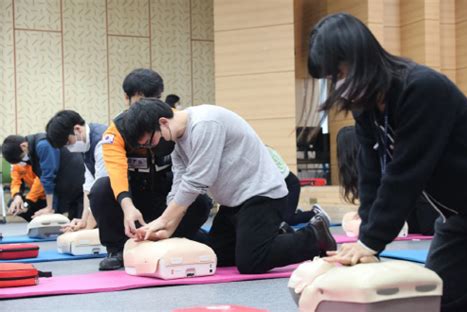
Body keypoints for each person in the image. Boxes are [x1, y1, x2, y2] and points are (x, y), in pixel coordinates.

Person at [308, 13, 467, 311]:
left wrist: (371, 242)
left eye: (339, 74)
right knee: (437, 299)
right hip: (460, 218)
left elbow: (405, 173)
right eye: (331, 79)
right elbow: (371, 175)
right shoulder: (366, 107)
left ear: (358, 57)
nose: (337, 86)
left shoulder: (421, 88)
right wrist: (367, 238)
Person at [122, 98, 337, 274]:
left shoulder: (205, 123)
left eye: (150, 142)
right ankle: (276, 235)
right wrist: (166, 227)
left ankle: (314, 237)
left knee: (251, 262)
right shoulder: (178, 141)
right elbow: (179, 180)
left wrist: (163, 221)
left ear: (163, 122)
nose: (152, 149)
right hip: (233, 203)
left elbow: (197, 180)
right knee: (216, 257)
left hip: (261, 196)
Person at [88, 68, 211, 271]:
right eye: (141, 99)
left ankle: (179, 238)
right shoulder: (115, 131)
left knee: (200, 200)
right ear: (127, 98)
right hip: (134, 199)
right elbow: (116, 172)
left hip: (167, 195)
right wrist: (127, 207)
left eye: (155, 98)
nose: (147, 106)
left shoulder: (171, 123)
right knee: (101, 188)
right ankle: (117, 250)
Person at [336, 126, 438, 235]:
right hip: (412, 218)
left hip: (422, 221)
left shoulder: (386, 169)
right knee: (349, 219)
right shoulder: (374, 173)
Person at [46, 110, 108, 232]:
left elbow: (103, 187)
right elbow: (89, 184)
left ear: (77, 129)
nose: (69, 149)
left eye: (68, 143)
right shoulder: (85, 144)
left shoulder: (102, 141)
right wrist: (83, 219)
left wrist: (87, 228)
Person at [2, 134, 84, 219]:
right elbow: (15, 181)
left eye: (22, 158)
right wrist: (17, 196)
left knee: (81, 222)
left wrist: (49, 207)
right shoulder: (28, 154)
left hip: (75, 185)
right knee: (73, 222)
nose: (22, 161)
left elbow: (47, 178)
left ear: (23, 146)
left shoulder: (42, 145)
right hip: (61, 188)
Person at [266, 145, 330, 228]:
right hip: (283, 186)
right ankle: (298, 213)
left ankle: (315, 213)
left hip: (290, 186)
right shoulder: (265, 151)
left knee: (288, 220)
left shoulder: (265, 153)